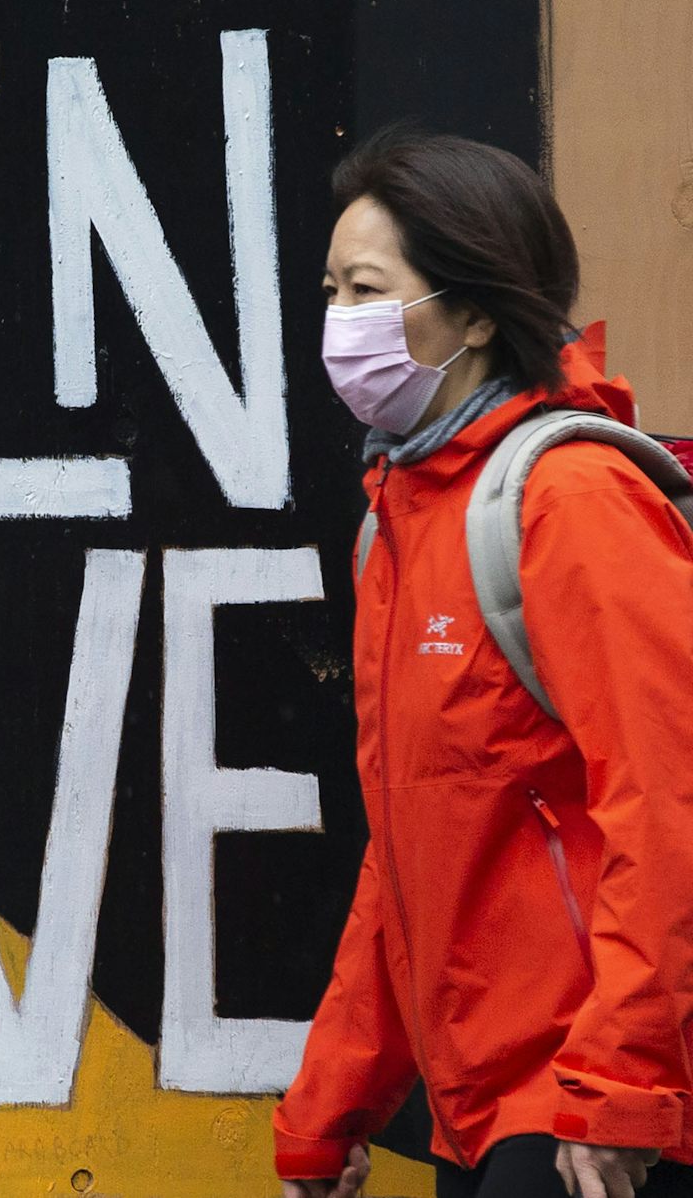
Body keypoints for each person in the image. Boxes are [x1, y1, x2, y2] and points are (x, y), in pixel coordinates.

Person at [273, 127, 693, 1198]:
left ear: (472, 312)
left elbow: (670, 804)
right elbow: (410, 848)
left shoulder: (571, 502)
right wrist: (332, 1104)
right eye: (330, 289)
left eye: (367, 289)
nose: (337, 321)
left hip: (593, 1109)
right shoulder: (402, 524)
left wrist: (622, 1084)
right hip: (491, 1115)